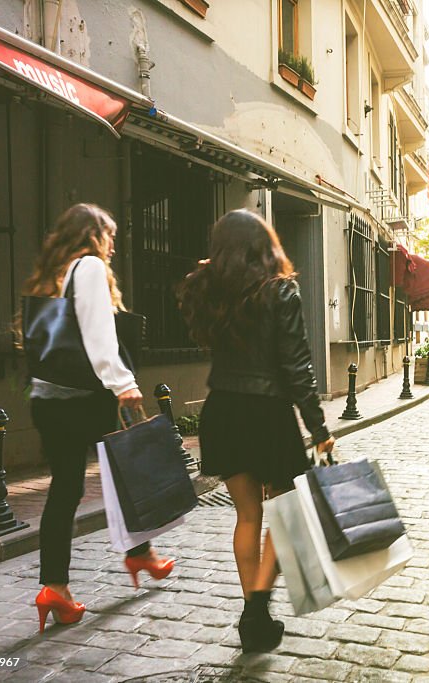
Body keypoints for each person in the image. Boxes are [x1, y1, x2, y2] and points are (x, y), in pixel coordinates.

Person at [178, 209, 335, 653]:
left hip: (222, 410)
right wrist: (319, 427)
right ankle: (257, 608)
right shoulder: (280, 291)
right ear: (263, 246)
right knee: (292, 516)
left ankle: (254, 616)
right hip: (266, 414)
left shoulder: (210, 292)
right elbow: (297, 366)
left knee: (248, 516)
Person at [23, 204, 174, 633]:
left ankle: (55, 587)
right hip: (84, 400)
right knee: (126, 472)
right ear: (93, 236)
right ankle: (140, 554)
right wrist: (122, 381)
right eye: (109, 236)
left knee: (66, 488)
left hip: (49, 400)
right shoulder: (87, 267)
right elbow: (97, 333)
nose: (113, 246)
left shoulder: (56, 274)